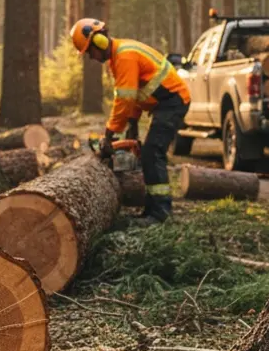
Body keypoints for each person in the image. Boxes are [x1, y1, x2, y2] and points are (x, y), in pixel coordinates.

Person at [71, 18, 191, 226]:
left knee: (153, 152)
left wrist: (110, 135)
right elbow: (135, 93)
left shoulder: (124, 56)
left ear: (99, 41)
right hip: (164, 102)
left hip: (172, 101)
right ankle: (152, 209)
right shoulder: (118, 58)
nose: (92, 57)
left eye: (91, 52)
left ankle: (161, 213)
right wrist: (133, 124)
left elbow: (124, 99)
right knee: (148, 152)